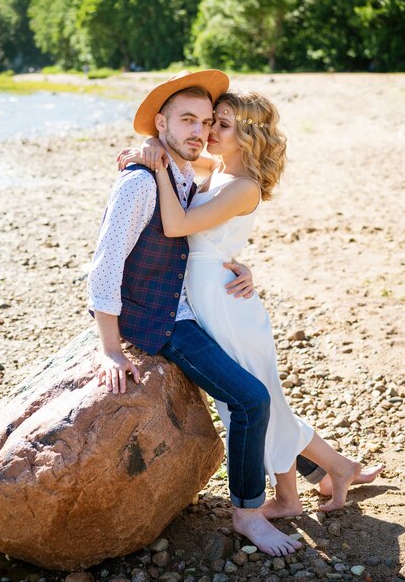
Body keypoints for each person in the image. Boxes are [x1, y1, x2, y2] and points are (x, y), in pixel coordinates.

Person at [88, 71, 381, 556]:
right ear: (163, 123)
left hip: (215, 304)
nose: (204, 132)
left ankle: (307, 481)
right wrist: (111, 350)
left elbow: (191, 224)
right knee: (254, 400)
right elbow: (109, 260)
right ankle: (298, 486)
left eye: (213, 123)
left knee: (257, 399)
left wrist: (237, 266)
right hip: (180, 309)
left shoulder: (203, 174)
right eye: (197, 121)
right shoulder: (173, 173)